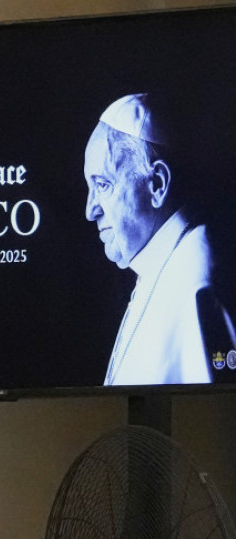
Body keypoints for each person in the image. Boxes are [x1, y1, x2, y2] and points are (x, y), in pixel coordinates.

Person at [83, 92, 236, 386]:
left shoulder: (198, 283)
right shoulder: (157, 266)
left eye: (102, 184)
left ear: (157, 184)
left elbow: (211, 406)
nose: (90, 211)